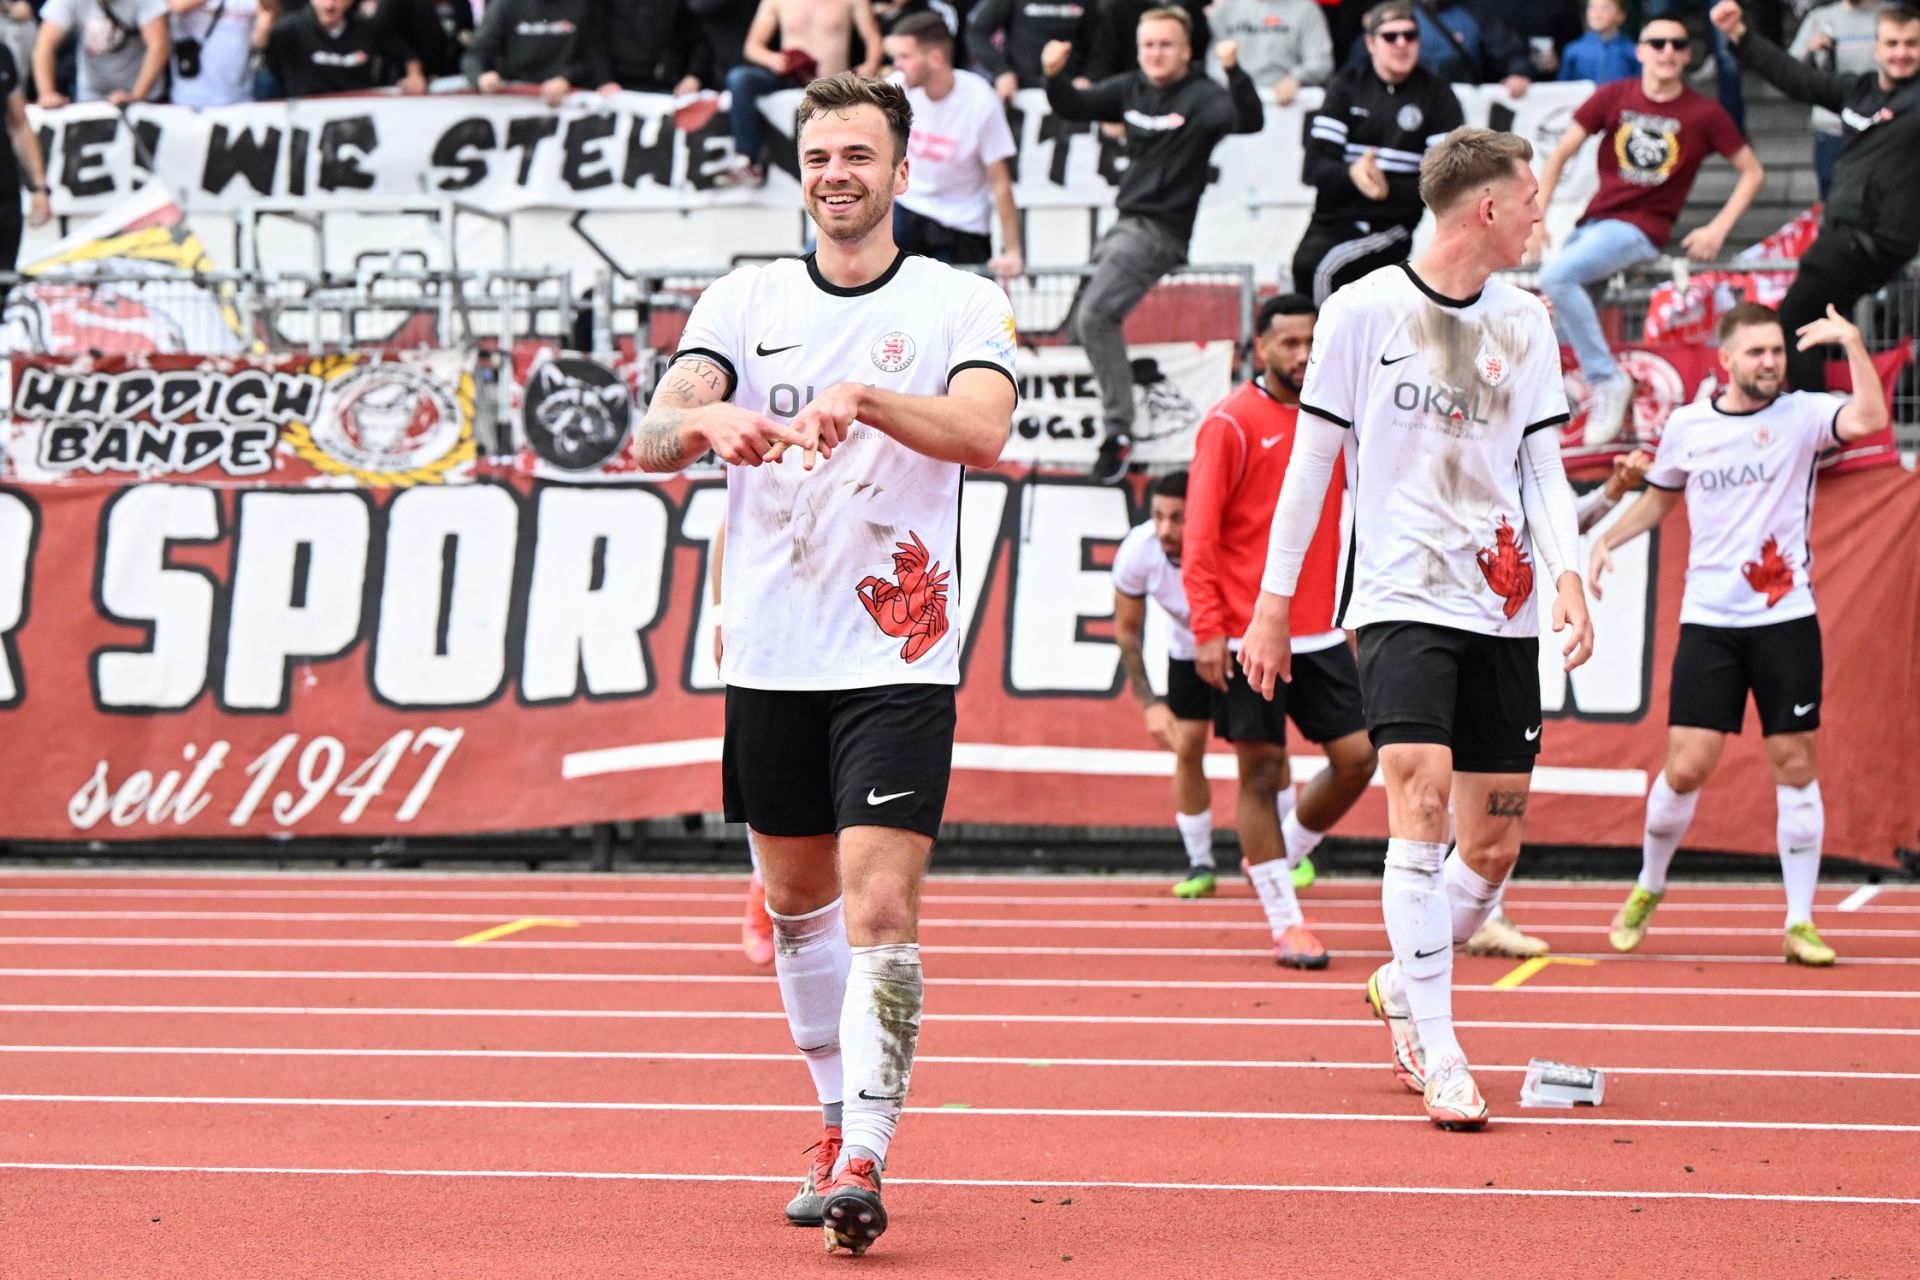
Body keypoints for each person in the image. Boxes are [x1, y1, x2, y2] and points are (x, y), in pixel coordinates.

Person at [632, 72, 1016, 1254]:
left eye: (857, 154)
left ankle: (868, 1152)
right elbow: (651, 432)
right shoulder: (743, 299)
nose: (836, 175)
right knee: (799, 911)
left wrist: (868, 399)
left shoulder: (959, 300)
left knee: (880, 903)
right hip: (772, 650)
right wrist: (705, 421)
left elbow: (984, 429)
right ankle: (832, 1118)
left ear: (902, 167)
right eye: (818, 157)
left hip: (897, 652)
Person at [1241, 127, 1594, 1129]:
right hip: (1400, 596)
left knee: (1493, 841)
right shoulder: (1361, 310)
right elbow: (1313, 463)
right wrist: (1275, 600)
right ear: (1487, 207)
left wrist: (1568, 575)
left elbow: (1541, 469)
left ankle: (1404, 977)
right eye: (1531, 200)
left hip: (1504, 600)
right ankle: (1441, 1050)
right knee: (1421, 799)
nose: (1540, 216)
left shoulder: (1526, 321)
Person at [1590, 302, 1887, 967]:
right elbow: (1660, 496)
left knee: (1794, 764)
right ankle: (1649, 883)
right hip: (1710, 622)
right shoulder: (1689, 426)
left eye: (1777, 351)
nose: (1770, 362)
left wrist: (1852, 343)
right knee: (1686, 767)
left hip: (1785, 618)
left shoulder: (1804, 415)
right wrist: (1608, 539)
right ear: (1725, 361)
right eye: (1756, 352)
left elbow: (1870, 418)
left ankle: (1799, 921)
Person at [1181, 292, 1377, 964]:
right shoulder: (1230, 423)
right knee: (1262, 772)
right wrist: (1209, 628)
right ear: (1260, 347)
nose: (1302, 354)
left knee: (1359, 758)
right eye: (1289, 342)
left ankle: (1280, 853)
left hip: (1320, 630)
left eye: (1312, 342)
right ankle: (1284, 918)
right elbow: (1200, 536)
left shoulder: (1338, 418)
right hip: (1245, 633)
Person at [1042, 9, 1263, 485]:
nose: (1156, 53)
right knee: (1076, 325)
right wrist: (1053, 75)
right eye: (1148, 45)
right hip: (1125, 224)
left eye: (1166, 45)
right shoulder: (1130, 88)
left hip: (1162, 232)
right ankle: (1123, 396)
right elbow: (1074, 106)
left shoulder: (1203, 96)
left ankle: (1118, 432)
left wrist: (1233, 71)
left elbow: (1248, 120)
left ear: (1186, 51)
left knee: (1095, 318)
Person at [1528, 15, 1763, 447]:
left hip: (1640, 230)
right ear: (1639, 51)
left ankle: (1607, 381)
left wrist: (1717, 228)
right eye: (1658, 43)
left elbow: (1753, 171)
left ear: (1688, 55)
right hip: (1593, 225)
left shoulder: (1705, 113)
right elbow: (1559, 153)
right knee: (1562, 319)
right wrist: (1537, 217)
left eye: (1677, 44)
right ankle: (1573, 413)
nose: (1667, 51)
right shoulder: (1614, 94)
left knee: (1556, 277)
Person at [1462, 446, 1652, 959]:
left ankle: (1474, 916)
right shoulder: (1435, 441)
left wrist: (1612, 491)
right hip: (1432, 630)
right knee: (1431, 781)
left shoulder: (1525, 445)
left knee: (1490, 793)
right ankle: (1425, 928)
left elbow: (1560, 524)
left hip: (1504, 636)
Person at [1713, 0, 1920, 394]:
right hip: (1843, 234)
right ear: (1876, 48)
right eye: (1892, 44)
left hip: (1872, 238)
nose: (1901, 53)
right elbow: (1794, 77)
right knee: (1825, 329)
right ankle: (1841, 409)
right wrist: (1740, 34)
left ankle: (1813, 417)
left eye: (1911, 44)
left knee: (1796, 321)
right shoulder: (1857, 90)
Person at [1294, 1, 1464, 305]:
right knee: (1303, 268)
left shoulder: (1437, 95)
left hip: (1390, 225)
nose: (1401, 44)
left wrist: (1388, 189)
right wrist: (1353, 173)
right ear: (1371, 43)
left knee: (1324, 269)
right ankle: (1309, 336)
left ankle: (1321, 338)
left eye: (1410, 35)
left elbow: (1447, 182)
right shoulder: (1346, 86)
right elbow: (1313, 169)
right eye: (1390, 36)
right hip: (1331, 220)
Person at [884, 13, 1023, 276]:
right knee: (833, 255)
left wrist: (1012, 251)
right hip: (908, 207)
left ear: (935, 58)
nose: (896, 64)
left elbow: (1000, 181)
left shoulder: (978, 99)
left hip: (961, 222)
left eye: (905, 56)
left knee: (953, 293)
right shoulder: (895, 88)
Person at [719, 0, 884, 186]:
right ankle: (748, 159)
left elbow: (873, 39)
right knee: (740, 78)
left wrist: (870, 66)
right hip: (789, 77)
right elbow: (752, 47)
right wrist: (772, 59)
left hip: (831, 81)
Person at [1788, 0, 1883, 201]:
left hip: (1881, 128)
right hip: (1832, 128)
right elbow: (1788, 71)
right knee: (1832, 203)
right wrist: (1811, 51)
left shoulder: (1891, 15)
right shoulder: (1819, 18)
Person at [462, 0, 613, 105]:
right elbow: (474, 56)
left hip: (567, 101)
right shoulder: (505, 5)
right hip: (515, 100)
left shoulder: (582, 5)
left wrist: (566, 78)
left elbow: (594, 57)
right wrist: (480, 77)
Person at [33, 0, 169, 106]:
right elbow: (44, 45)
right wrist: (47, 93)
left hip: (145, 97)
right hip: (91, 96)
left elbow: (159, 46)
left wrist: (136, 95)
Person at [267, 0, 417, 95]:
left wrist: (414, 75)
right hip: (309, 111)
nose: (330, 4)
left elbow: (405, 53)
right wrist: (261, 39)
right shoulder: (289, 29)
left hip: (357, 109)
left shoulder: (367, 28)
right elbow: (270, 64)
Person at [1205, 0, 1333, 105]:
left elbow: (1321, 62)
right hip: (1237, 99)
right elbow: (1214, 60)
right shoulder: (1226, 11)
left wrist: (1296, 79)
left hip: (1287, 102)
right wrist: (1231, 81)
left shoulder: (1306, 10)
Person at [967, 0, 1099, 97]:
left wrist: (1088, 77)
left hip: (1069, 91)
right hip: (1021, 91)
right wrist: (1002, 71)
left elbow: (1099, 45)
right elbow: (976, 33)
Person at [0, 41, 50, 277]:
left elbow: (20, 125)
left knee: (5, 278)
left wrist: (40, 187)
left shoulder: (3, 54)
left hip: (5, 192)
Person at [168, 0, 268, 107]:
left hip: (239, 98)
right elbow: (177, 6)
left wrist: (263, 27)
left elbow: (269, 11)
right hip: (191, 99)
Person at [1557, 0, 1639, 84]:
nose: (1597, 14)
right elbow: (1563, 86)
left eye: (1605, 8)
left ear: (1621, 15)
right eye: (1592, 7)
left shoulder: (1632, 51)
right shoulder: (1573, 50)